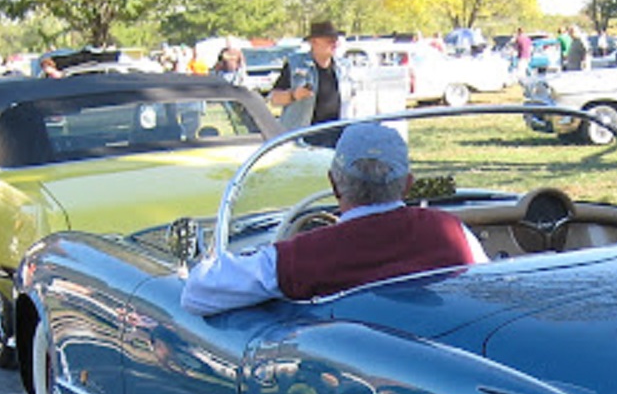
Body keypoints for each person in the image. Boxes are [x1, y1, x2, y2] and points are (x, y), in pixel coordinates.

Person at [181, 122, 487, 316]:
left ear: (333, 183)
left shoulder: (306, 255)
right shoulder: (451, 231)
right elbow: (484, 287)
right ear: (407, 184)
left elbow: (198, 293)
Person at [270, 21, 354, 143]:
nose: (334, 43)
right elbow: (274, 99)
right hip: (303, 138)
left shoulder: (344, 67)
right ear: (313, 42)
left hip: (338, 137)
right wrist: (293, 95)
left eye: (335, 39)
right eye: (329, 40)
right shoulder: (295, 65)